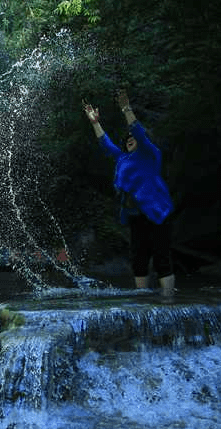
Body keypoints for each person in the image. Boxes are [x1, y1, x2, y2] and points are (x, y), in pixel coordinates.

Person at [84, 90, 176, 296]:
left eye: (133, 138)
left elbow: (138, 131)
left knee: (161, 256)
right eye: (127, 139)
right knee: (139, 257)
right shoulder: (122, 159)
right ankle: (142, 298)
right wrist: (95, 123)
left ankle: (169, 300)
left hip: (157, 211)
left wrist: (126, 109)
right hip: (136, 215)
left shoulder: (150, 154)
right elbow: (106, 144)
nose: (129, 139)